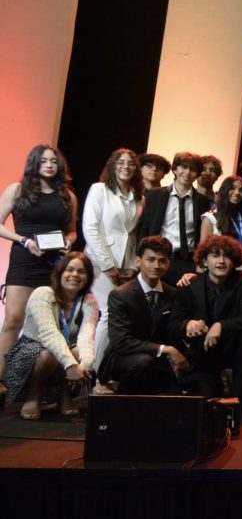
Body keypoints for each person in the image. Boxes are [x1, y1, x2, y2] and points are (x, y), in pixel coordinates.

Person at [0, 145, 78, 402]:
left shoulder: (67, 196)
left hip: (53, 264)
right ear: (34, 163)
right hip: (24, 259)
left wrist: (69, 241)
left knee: (48, 326)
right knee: (13, 321)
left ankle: (37, 387)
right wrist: (23, 241)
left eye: (53, 161)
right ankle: (2, 381)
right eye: (43, 160)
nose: (48, 165)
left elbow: (72, 231)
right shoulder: (17, 189)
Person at [167, 235, 242, 408]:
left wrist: (220, 325)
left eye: (227, 256)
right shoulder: (189, 285)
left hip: (231, 347)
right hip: (202, 354)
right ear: (204, 261)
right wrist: (188, 324)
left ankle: (239, 393)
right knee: (205, 403)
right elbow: (172, 325)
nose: (221, 261)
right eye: (215, 255)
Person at [4, 252, 96, 419]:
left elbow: (87, 336)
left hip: (65, 353)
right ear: (60, 273)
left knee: (77, 353)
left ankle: (65, 395)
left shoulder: (89, 300)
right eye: (70, 270)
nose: (75, 275)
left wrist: (85, 365)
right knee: (50, 354)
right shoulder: (43, 293)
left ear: (88, 277)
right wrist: (71, 365)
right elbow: (49, 334)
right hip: (32, 353)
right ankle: (33, 396)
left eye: (81, 271)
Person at [98, 236, 186, 395]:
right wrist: (165, 349)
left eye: (162, 261)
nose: (156, 266)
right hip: (125, 356)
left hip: (158, 358)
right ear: (138, 261)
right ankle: (123, 402)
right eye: (150, 259)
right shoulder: (120, 295)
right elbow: (121, 341)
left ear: (168, 263)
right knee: (143, 363)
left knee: (175, 400)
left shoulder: (172, 293)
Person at [82, 147, 143, 371]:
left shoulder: (139, 196)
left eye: (130, 163)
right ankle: (93, 373)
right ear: (112, 166)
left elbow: (132, 236)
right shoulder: (99, 190)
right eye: (120, 162)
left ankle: (101, 371)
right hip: (100, 263)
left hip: (125, 267)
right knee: (105, 315)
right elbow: (90, 229)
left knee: (116, 318)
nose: (125, 167)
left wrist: (131, 267)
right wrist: (108, 265)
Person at [137, 152, 210, 285]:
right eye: (183, 167)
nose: (187, 172)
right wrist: (141, 256)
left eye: (192, 169)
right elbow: (144, 227)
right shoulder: (155, 195)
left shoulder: (202, 201)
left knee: (182, 301)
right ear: (175, 169)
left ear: (197, 174)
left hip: (187, 261)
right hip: (158, 258)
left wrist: (200, 263)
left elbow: (202, 235)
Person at [199, 175, 242, 261]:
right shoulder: (210, 217)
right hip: (220, 266)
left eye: (241, 190)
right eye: (232, 188)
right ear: (224, 190)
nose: (237, 192)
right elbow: (203, 252)